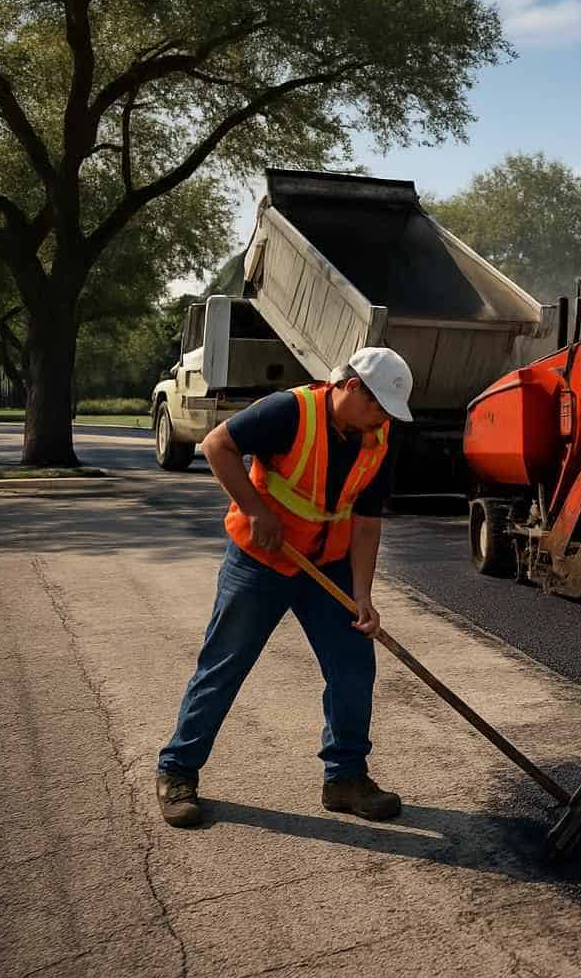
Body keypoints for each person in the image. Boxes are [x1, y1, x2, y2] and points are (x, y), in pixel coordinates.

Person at [155, 348, 413, 827]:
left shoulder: (379, 436)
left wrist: (362, 596)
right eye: (377, 407)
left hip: (327, 565)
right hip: (262, 561)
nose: (380, 420)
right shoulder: (288, 411)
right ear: (351, 387)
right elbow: (217, 445)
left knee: (353, 667)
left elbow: (367, 521)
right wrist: (255, 509)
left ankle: (345, 779)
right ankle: (177, 771)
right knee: (225, 664)